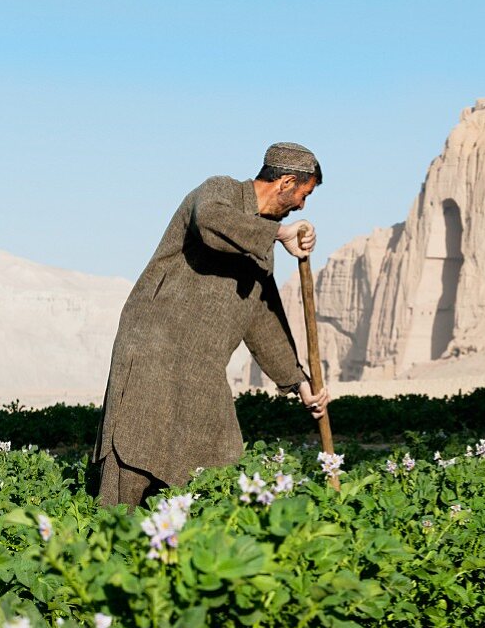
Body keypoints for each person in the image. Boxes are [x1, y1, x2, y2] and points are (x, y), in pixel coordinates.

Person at [88, 142, 330, 508]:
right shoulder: (221, 192)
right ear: (285, 182)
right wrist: (280, 235)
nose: (301, 206)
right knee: (135, 450)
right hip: (154, 348)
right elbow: (209, 220)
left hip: (200, 363)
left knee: (217, 458)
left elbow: (262, 318)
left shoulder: (261, 237)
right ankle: (112, 546)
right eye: (303, 194)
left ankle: (189, 550)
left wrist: (298, 383)